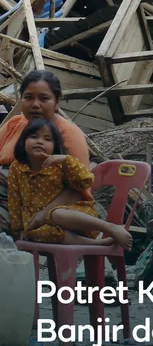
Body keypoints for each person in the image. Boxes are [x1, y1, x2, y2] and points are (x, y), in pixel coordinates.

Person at [8, 118, 132, 249]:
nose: (40, 141)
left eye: (47, 139)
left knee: (55, 214)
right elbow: (14, 200)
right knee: (33, 232)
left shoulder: (60, 165)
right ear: (23, 141)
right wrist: (18, 230)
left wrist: (67, 160)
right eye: (34, 137)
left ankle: (111, 227)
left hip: (73, 214)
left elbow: (86, 181)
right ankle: (96, 244)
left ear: (54, 146)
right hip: (41, 223)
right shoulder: (16, 167)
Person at [0, 69, 91, 234]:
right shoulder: (15, 123)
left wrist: (43, 214)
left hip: (42, 211)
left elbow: (78, 189)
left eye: (44, 98)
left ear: (56, 101)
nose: (35, 104)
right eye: (28, 97)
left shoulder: (68, 133)